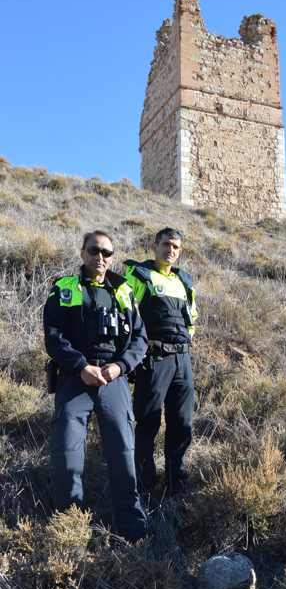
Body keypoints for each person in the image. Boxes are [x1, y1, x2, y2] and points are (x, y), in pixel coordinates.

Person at [43, 230, 148, 542]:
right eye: (94, 251)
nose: (100, 257)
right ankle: (70, 530)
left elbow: (140, 339)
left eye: (106, 252)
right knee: (67, 455)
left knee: (123, 453)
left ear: (112, 256)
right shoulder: (65, 288)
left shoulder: (124, 291)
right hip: (75, 377)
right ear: (82, 253)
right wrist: (81, 366)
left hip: (113, 378)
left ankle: (132, 530)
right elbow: (53, 336)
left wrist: (119, 366)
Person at [123, 227, 198, 500]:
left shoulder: (184, 282)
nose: (171, 250)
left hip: (182, 360)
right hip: (154, 360)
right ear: (155, 245)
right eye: (166, 244)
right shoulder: (139, 276)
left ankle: (176, 485)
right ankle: (144, 485)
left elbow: (191, 320)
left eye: (176, 247)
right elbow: (126, 315)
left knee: (181, 423)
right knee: (147, 423)